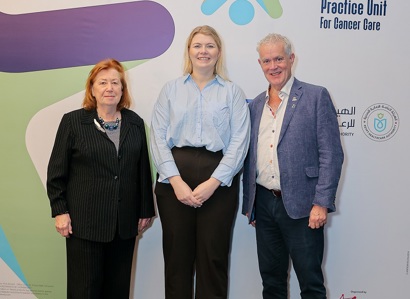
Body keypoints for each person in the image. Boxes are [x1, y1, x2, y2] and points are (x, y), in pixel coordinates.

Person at [150, 25, 250, 299]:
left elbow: (240, 142)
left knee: (213, 259)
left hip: (219, 181)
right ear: (188, 51)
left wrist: (214, 183)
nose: (203, 51)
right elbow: (157, 137)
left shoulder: (232, 92)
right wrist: (176, 182)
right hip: (174, 180)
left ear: (219, 52)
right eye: (197, 45)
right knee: (176, 261)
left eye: (209, 45)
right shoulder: (170, 90)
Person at [242, 33, 344, 299]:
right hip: (265, 206)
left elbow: (331, 154)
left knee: (310, 284)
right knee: (272, 283)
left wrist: (321, 202)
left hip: (303, 207)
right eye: (267, 61)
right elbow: (250, 157)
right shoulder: (255, 105)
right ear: (260, 64)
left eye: (278, 58)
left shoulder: (315, 96)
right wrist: (251, 204)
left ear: (291, 58)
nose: (273, 66)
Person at [47, 58, 155, 299]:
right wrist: (60, 211)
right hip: (84, 225)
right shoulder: (73, 122)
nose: (110, 88)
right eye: (103, 82)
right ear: (92, 89)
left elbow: (142, 170)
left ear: (122, 89)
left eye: (116, 82)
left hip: (124, 225)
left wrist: (145, 210)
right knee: (84, 291)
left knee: (117, 292)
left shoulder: (135, 123)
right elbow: (56, 172)